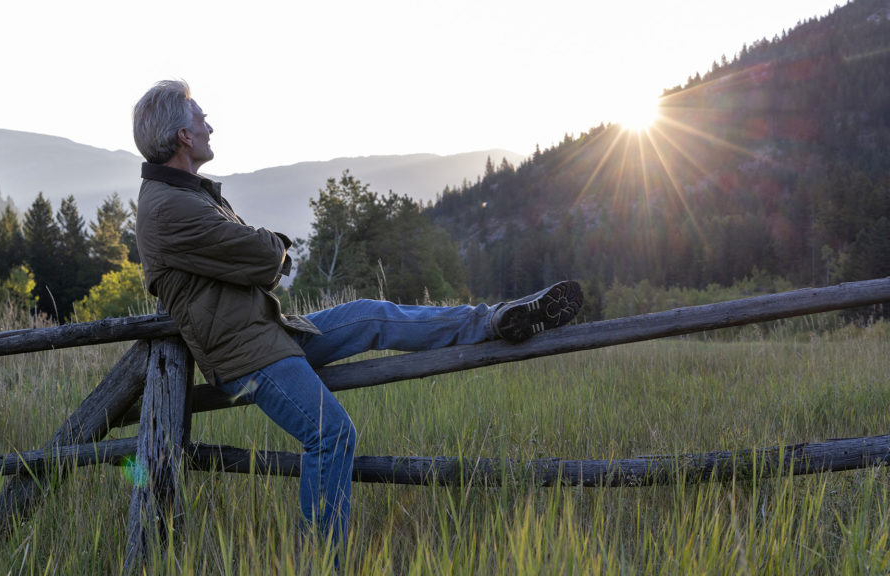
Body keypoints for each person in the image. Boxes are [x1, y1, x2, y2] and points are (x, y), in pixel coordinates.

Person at [132, 79, 582, 557]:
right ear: (182, 134)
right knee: (330, 432)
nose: (209, 125)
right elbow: (264, 258)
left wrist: (267, 256)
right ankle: (320, 563)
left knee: (370, 314)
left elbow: (256, 264)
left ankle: (495, 320)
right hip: (247, 357)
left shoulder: (186, 195)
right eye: (200, 117)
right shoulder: (170, 206)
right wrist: (274, 250)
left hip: (270, 334)